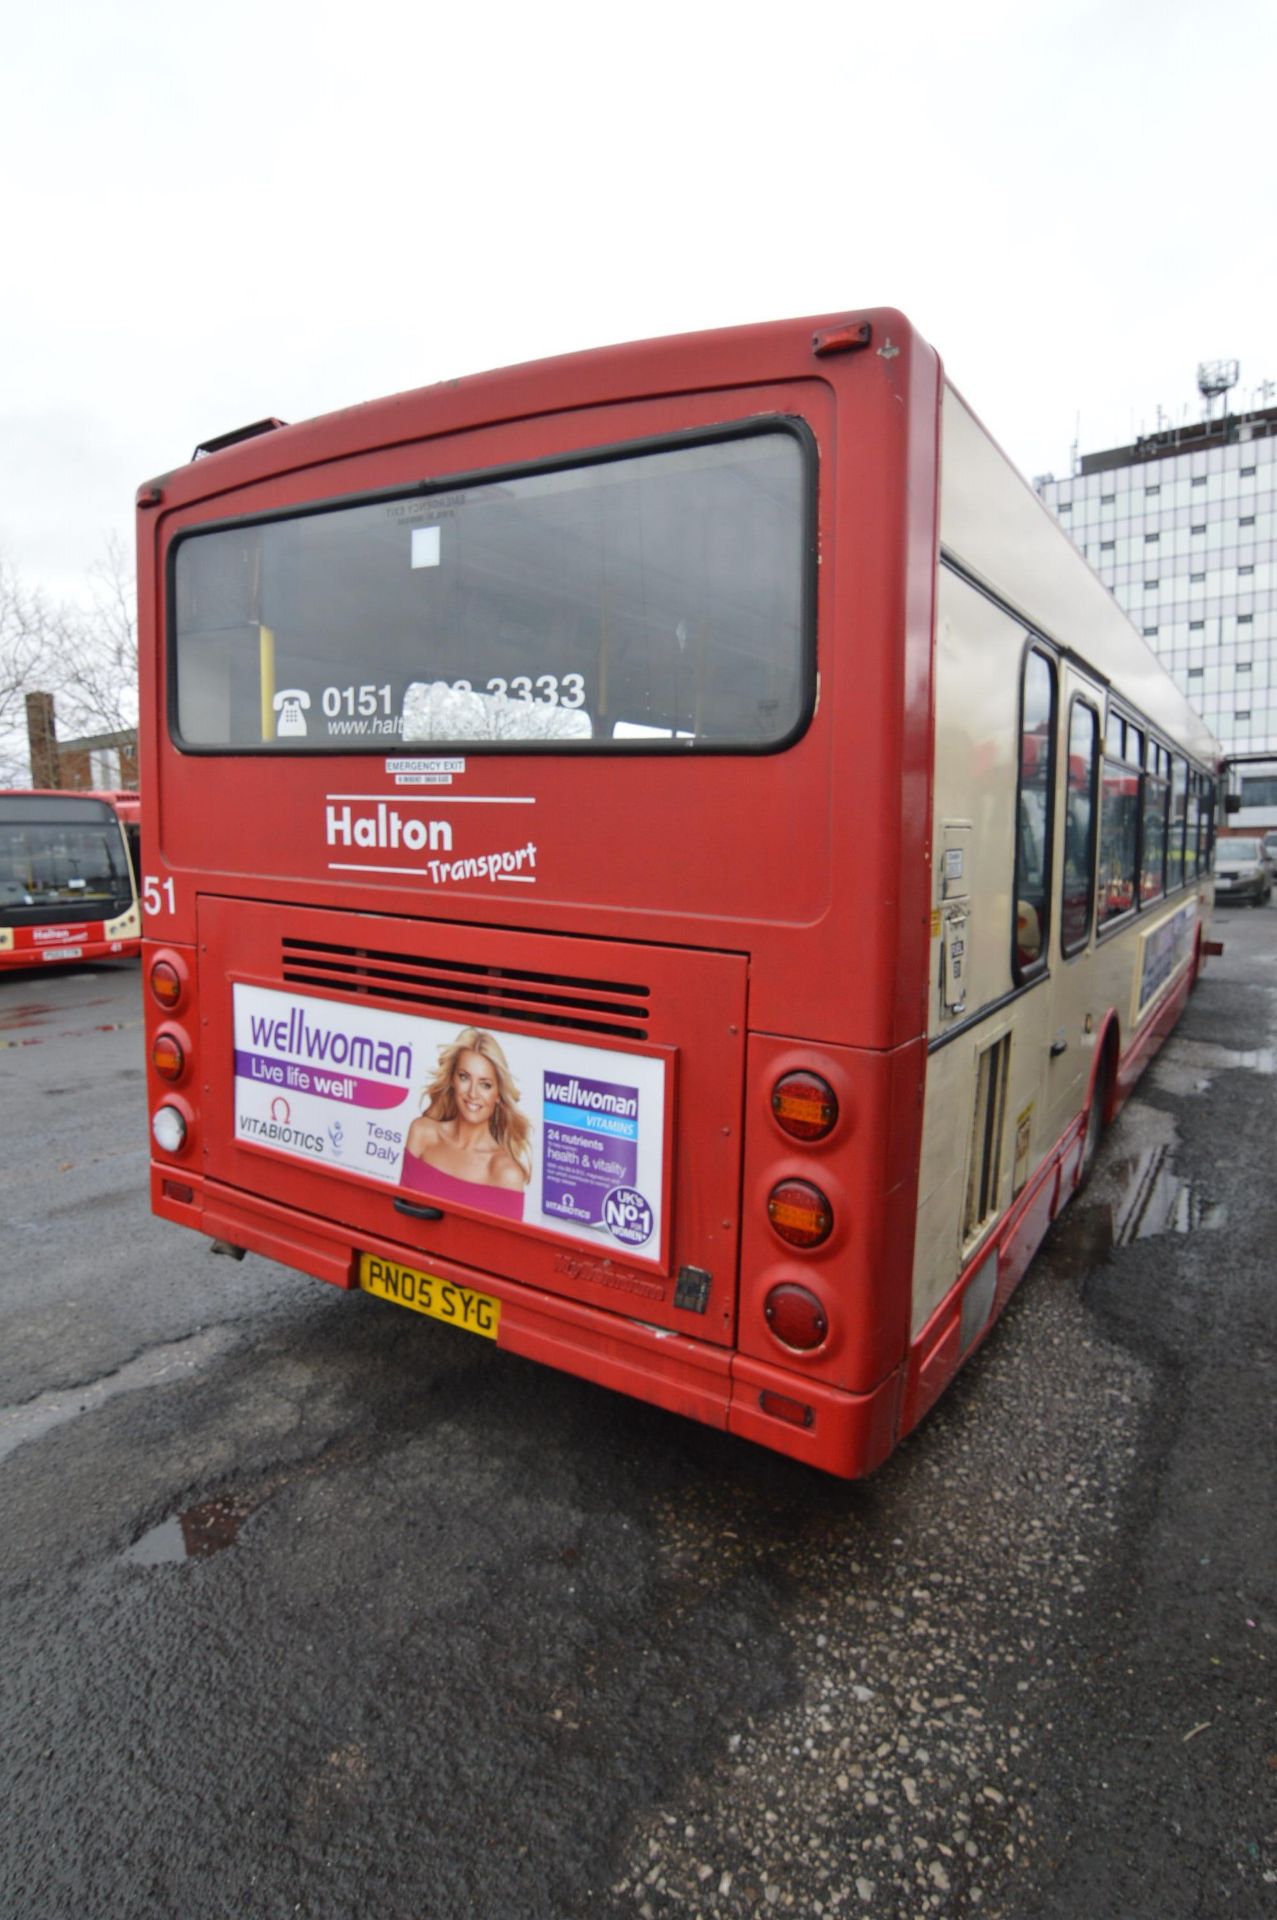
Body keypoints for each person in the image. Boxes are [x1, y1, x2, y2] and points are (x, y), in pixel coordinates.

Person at [400, 1028, 532, 1220]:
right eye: (464, 1077)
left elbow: (504, 1250)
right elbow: (400, 1216)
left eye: (485, 1085)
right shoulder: (422, 1133)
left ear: (498, 1095)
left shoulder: (506, 1173)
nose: (472, 1093)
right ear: (453, 1080)